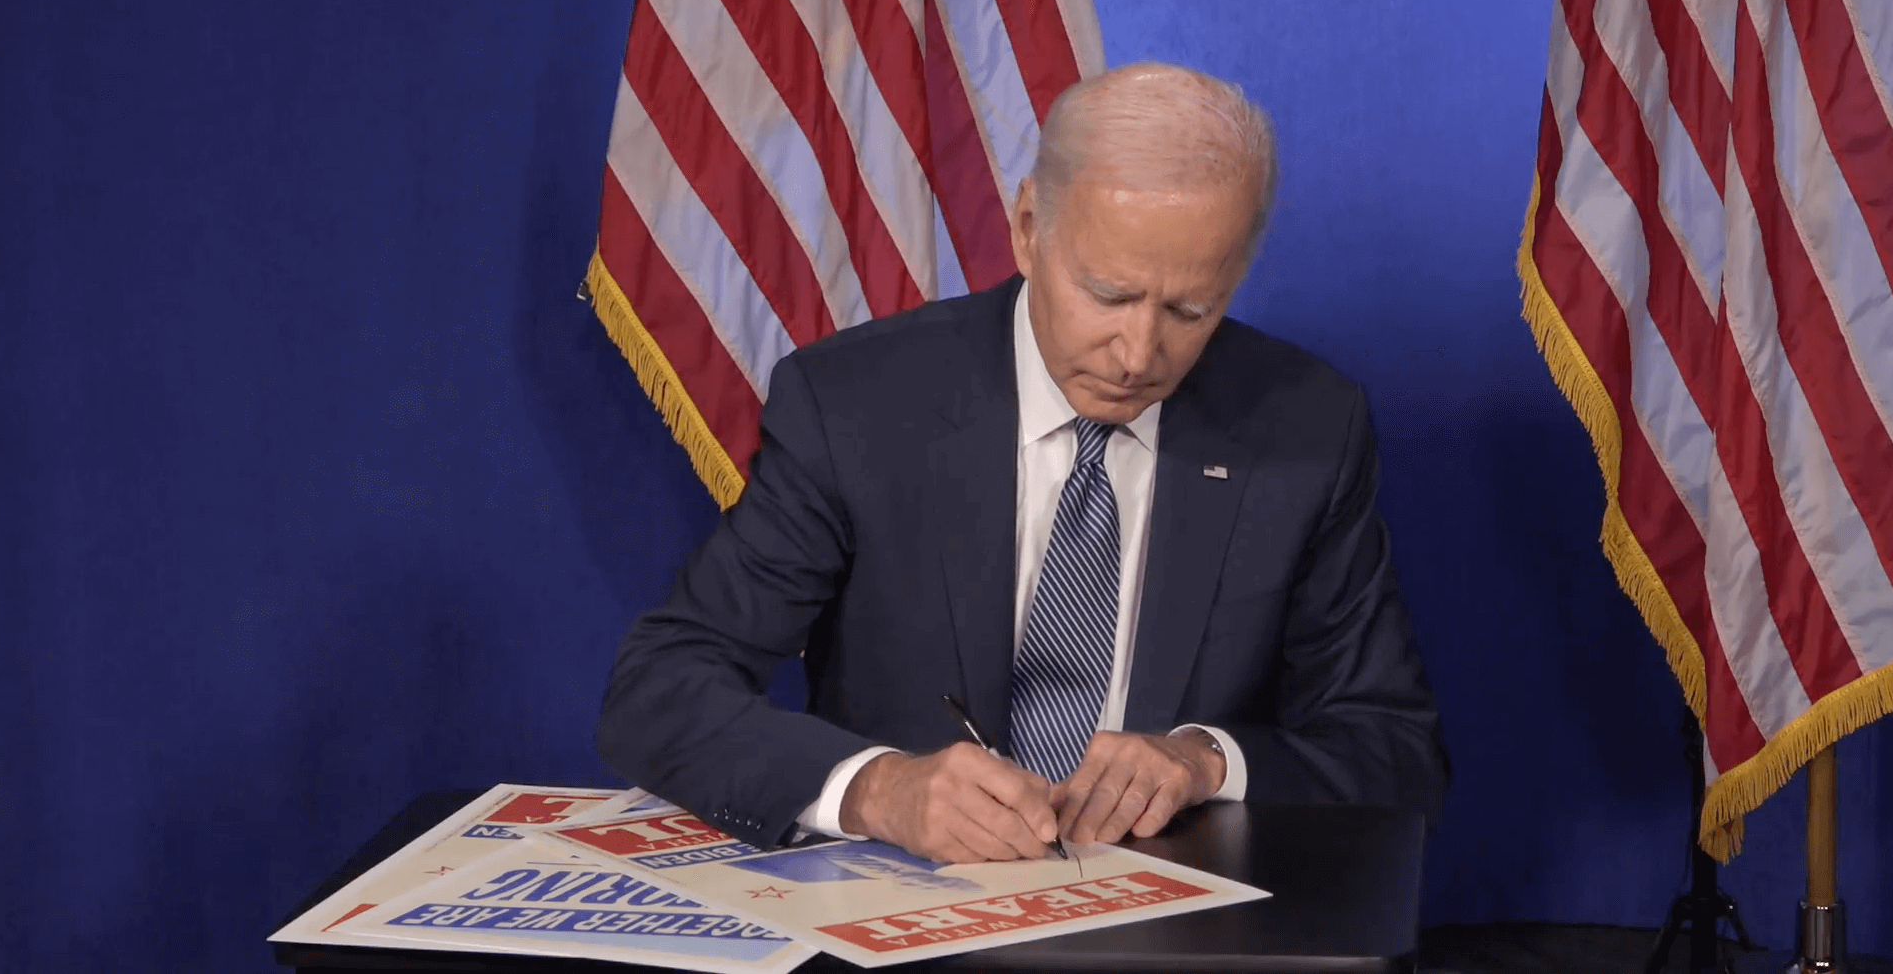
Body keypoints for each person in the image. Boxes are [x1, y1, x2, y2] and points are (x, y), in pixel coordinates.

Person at [596, 61, 1447, 864]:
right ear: (1029, 227)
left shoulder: (1304, 425)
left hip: (1179, 936)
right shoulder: (855, 406)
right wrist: (880, 790)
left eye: (1191, 307)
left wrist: (1208, 760)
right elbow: (661, 686)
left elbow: (1394, 750)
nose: (1138, 351)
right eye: (1108, 293)